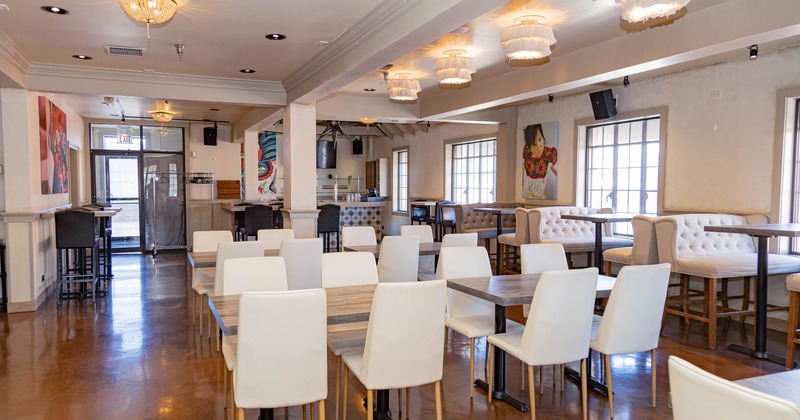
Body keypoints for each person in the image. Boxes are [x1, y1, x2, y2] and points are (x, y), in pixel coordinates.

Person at [522, 124, 558, 199]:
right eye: (534, 144)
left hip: (542, 196)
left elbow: (559, 174)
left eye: (540, 139)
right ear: (528, 147)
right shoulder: (526, 156)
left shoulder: (548, 155)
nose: (539, 147)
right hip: (527, 196)